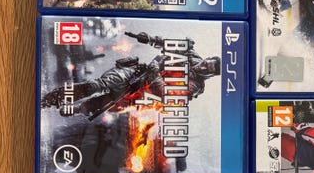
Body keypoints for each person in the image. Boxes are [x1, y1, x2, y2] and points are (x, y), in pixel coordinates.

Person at [41, 33, 221, 118]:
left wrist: (154, 73)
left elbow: (166, 95)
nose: (204, 66)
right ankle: (50, 98)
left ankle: (76, 108)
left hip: (142, 97)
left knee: (94, 106)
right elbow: (170, 44)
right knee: (97, 85)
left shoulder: (195, 87)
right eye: (207, 62)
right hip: (136, 75)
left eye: (208, 68)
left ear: (211, 74)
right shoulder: (192, 55)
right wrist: (150, 39)